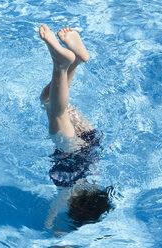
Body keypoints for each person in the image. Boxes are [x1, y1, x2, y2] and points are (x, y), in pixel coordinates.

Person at [38, 24, 112, 231]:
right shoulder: (68, 192)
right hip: (70, 151)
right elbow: (53, 211)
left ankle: (77, 60)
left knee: (47, 99)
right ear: (74, 208)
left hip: (91, 141)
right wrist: (52, 227)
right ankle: (61, 64)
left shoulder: (94, 183)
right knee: (57, 111)